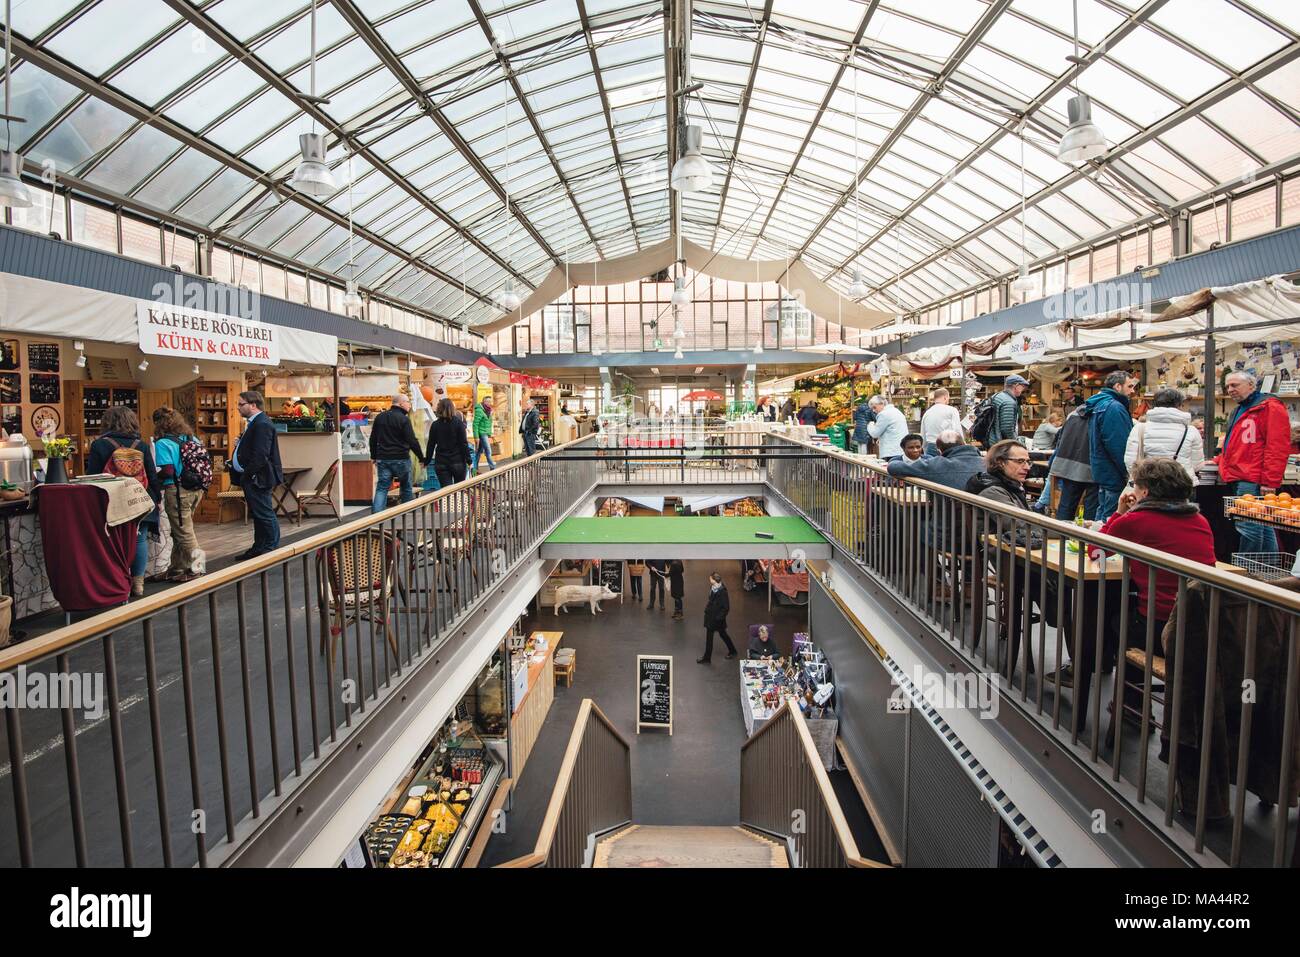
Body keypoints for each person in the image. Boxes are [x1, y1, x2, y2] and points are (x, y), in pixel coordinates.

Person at [966, 440, 1061, 673]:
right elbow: (1021, 524)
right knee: (1071, 588)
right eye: (1020, 461)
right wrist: (1068, 532)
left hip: (1017, 556)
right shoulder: (993, 491)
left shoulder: (1007, 486)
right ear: (1000, 462)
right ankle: (1071, 631)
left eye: (1028, 461)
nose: (1027, 466)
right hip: (1009, 562)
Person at [87, 405, 161, 597]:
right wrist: (157, 498)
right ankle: (138, 583)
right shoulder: (141, 445)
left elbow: (92, 476)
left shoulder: (99, 445)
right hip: (140, 497)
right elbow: (152, 475)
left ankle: (119, 581)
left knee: (114, 542)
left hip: (112, 500)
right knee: (139, 539)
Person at [1218, 370, 1291, 552]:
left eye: (1235, 385)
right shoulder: (1240, 409)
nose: (1230, 389)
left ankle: (1246, 566)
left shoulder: (1269, 407)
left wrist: (1270, 481)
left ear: (1251, 385)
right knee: (1262, 526)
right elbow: (1236, 444)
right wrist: (1220, 460)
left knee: (1249, 527)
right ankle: (1267, 566)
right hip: (1241, 475)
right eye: (1228, 386)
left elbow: (1277, 446)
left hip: (1252, 477)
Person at [230, 391, 284, 560]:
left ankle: (270, 548)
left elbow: (261, 455)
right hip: (254, 476)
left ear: (253, 405)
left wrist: (248, 474)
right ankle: (259, 547)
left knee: (264, 513)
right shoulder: (255, 423)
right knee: (259, 514)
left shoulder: (261, 424)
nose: (238, 408)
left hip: (258, 477)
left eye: (241, 404)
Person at [153, 407, 204, 583]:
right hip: (195, 490)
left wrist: (153, 476)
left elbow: (168, 470)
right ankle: (177, 567)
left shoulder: (163, 443)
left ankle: (197, 567)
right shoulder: (192, 438)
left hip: (176, 490)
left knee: (184, 532)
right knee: (179, 530)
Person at [1084, 371, 1137, 521]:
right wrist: (1128, 473)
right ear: (1118, 386)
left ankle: (1096, 536)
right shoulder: (1114, 407)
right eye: (1130, 386)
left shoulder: (1102, 404)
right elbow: (1118, 445)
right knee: (1111, 518)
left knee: (1103, 515)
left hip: (1103, 470)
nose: (1133, 391)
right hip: (1113, 473)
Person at [1123, 388, 1203, 482]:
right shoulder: (1191, 431)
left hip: (1149, 483)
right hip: (1180, 483)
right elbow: (1197, 465)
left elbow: (1130, 461)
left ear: (1154, 404)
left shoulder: (1140, 429)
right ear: (1179, 405)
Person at [369, 393, 424, 513]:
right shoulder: (404, 419)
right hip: (401, 458)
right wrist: (421, 457)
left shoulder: (380, 417)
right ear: (400, 403)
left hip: (383, 458)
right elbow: (411, 440)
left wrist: (373, 455)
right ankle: (407, 513)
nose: (409, 405)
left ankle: (376, 516)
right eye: (408, 402)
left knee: (382, 488)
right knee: (406, 486)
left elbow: (373, 438)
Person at [1045, 405, 1097, 521]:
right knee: (1091, 509)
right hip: (1091, 465)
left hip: (1069, 464)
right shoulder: (1102, 414)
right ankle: (1084, 532)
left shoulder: (1073, 414)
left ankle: (1061, 531)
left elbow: (1060, 440)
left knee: (1066, 506)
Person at [424, 397, 473, 488]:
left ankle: (448, 498)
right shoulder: (458, 423)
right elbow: (463, 444)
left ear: (439, 409)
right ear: (452, 409)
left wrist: (427, 461)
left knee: (446, 490)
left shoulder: (435, 425)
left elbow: (431, 445)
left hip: (441, 461)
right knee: (459, 489)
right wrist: (469, 460)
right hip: (458, 461)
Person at [697, 571, 737, 664]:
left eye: (710, 578)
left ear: (714, 580)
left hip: (717, 619)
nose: (709, 579)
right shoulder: (713, 588)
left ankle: (709, 657)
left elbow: (726, 608)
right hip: (711, 617)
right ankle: (731, 651)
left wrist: (719, 618)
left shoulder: (722, 592)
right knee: (718, 635)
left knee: (720, 635)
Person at [988, 374, 1030, 444]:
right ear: (1016, 385)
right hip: (1000, 444)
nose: (1023, 389)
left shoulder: (997, 396)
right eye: (1022, 386)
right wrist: (1016, 443)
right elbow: (1007, 429)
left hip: (991, 440)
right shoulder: (1008, 401)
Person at [919, 387, 962, 451]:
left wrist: (924, 449)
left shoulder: (927, 413)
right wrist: (962, 446)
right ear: (945, 398)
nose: (948, 401)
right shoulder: (952, 410)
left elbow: (923, 434)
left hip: (931, 446)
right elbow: (957, 430)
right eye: (948, 398)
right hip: (947, 446)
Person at [866, 395, 907, 461]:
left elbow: (874, 433)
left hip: (891, 452)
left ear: (881, 404)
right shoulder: (896, 411)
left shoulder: (884, 414)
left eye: (874, 407)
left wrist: (870, 425)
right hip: (900, 449)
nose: (873, 410)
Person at [471, 394, 496, 474]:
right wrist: (476, 437)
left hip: (485, 433)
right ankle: (493, 468)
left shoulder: (489, 410)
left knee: (478, 452)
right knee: (488, 450)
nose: (489, 403)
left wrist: (490, 434)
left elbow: (488, 424)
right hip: (481, 434)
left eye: (490, 401)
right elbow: (475, 424)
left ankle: (474, 469)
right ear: (484, 402)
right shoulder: (479, 410)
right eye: (487, 401)